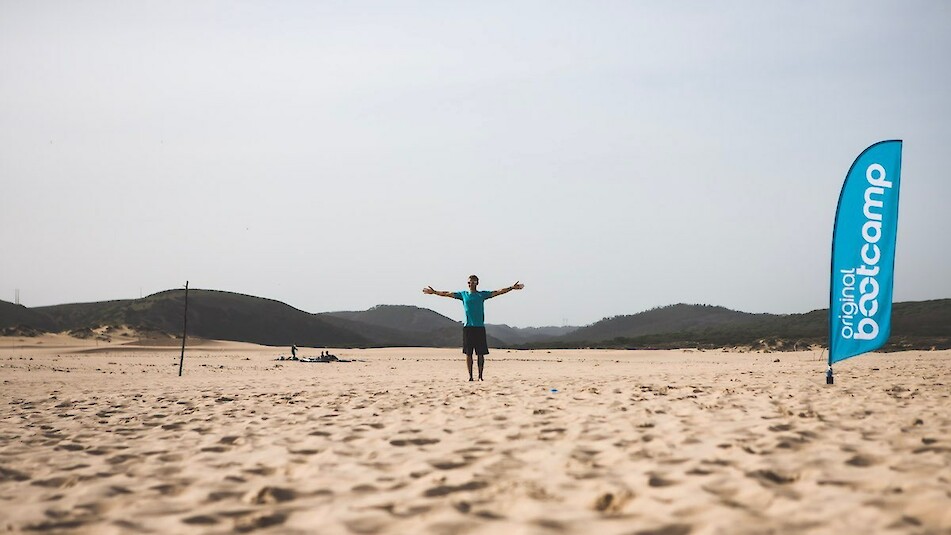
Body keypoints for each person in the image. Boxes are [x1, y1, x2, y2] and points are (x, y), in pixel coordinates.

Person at [423, 275, 524, 381]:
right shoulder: (463, 294)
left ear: (477, 283)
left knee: (481, 353)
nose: (471, 284)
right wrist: (434, 292)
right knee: (468, 353)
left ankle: (480, 376)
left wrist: (511, 288)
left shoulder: (482, 295)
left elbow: (498, 292)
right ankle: (470, 377)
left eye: (473, 282)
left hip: (479, 327)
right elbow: (447, 293)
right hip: (468, 328)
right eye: (469, 282)